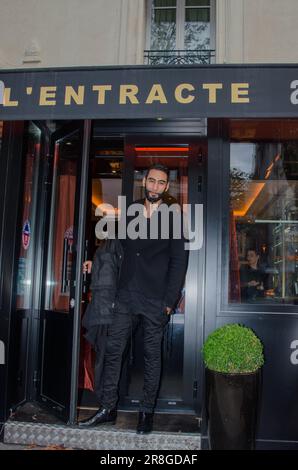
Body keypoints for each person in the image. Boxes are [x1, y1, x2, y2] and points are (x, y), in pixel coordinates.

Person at [79, 163, 188, 434]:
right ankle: (107, 407)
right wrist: (96, 262)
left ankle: (146, 412)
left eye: (160, 183)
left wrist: (168, 302)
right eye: (151, 181)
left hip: (155, 299)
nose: (155, 186)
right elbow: (117, 245)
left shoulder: (175, 217)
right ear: (145, 181)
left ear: (166, 186)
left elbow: (179, 262)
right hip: (126, 294)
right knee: (113, 351)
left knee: (151, 356)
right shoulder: (131, 211)